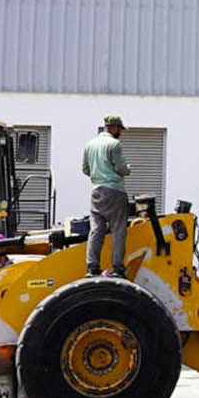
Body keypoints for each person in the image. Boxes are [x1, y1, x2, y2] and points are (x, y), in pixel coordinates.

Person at [83, 115, 132, 277]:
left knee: (96, 229)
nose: (120, 133)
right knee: (118, 229)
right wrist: (128, 169)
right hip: (114, 191)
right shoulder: (114, 144)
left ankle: (92, 266)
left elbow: (85, 169)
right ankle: (118, 267)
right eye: (120, 129)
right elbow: (121, 168)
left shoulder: (90, 145)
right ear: (115, 128)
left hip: (96, 191)